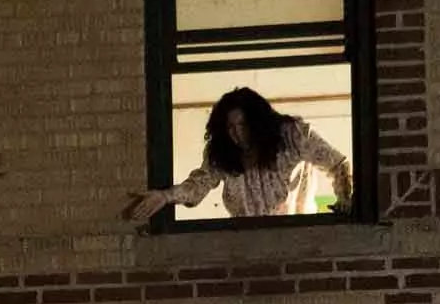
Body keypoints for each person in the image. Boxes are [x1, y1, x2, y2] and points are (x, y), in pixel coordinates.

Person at [123, 87, 352, 224]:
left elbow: (337, 163)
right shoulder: (222, 155)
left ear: (256, 122)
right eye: (230, 128)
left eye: (243, 124)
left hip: (297, 237)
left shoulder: (292, 136)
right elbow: (198, 185)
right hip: (246, 243)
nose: (237, 133)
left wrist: (345, 199)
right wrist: (165, 197)